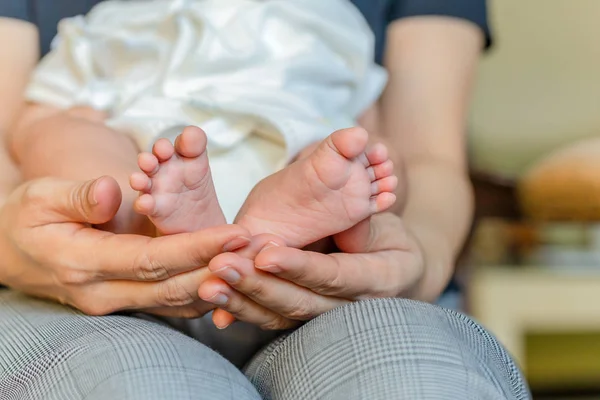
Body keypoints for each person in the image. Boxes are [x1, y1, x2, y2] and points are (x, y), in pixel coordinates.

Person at [0, 1, 531, 400]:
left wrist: (408, 242)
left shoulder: (322, 28)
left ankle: (294, 221)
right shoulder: (116, 28)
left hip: (316, 258)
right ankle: (150, 226)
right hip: (101, 266)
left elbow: (424, 154)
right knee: (70, 141)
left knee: (353, 161)